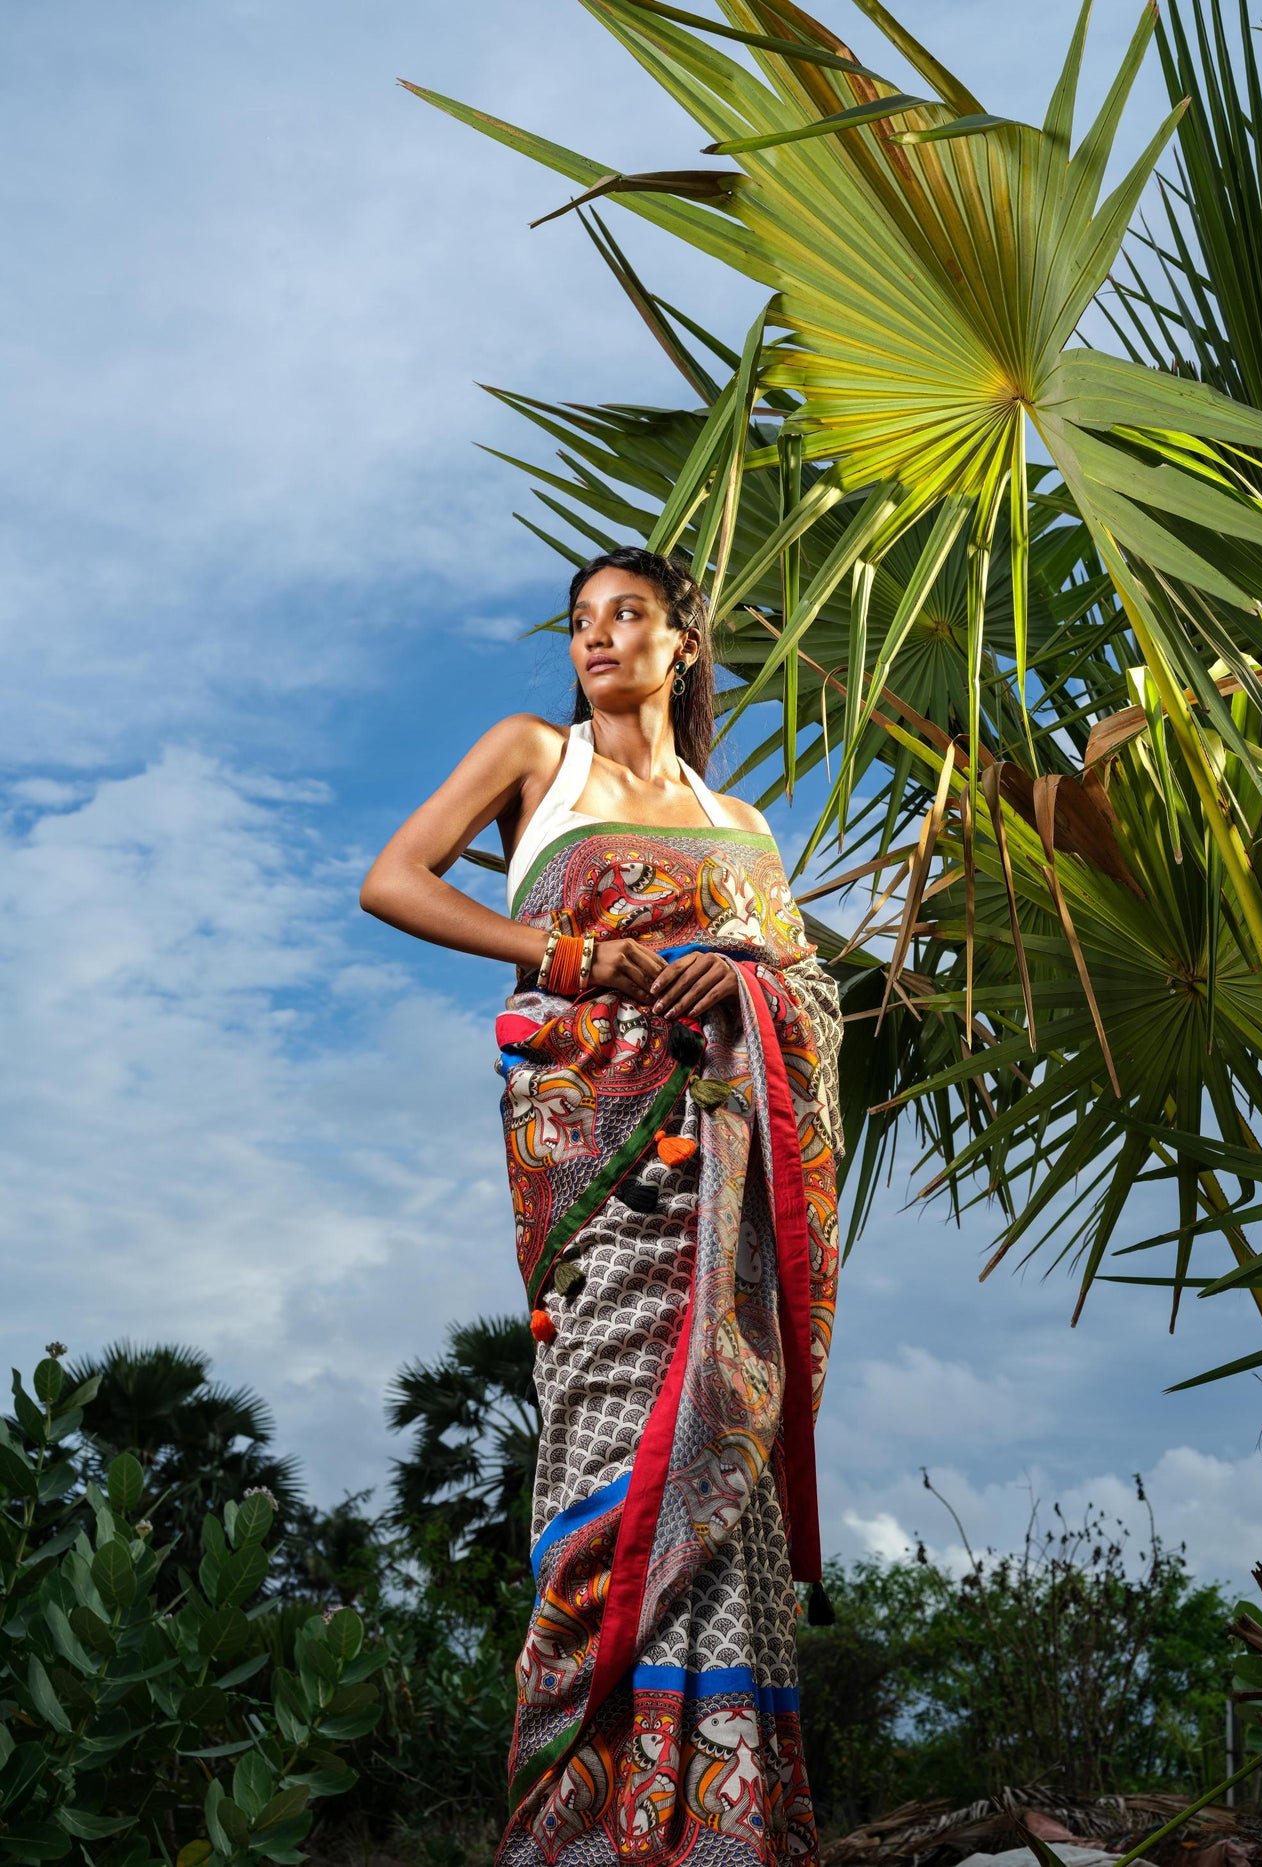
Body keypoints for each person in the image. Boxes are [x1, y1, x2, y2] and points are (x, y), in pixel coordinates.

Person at [361, 547, 842, 1863]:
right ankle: (575, 1827)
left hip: (718, 1187)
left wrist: (731, 981)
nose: (598, 637)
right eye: (581, 621)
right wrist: (573, 953)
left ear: (684, 641)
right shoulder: (534, 756)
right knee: (597, 1494)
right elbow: (395, 879)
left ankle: (721, 1829)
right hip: (596, 1184)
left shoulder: (742, 828)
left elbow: (802, 1000)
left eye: (628, 615)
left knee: (715, 1482)